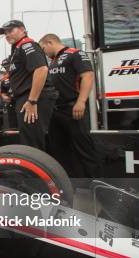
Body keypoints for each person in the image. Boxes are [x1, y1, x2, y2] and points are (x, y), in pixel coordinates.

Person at [40, 33, 101, 178]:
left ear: (49, 42)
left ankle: (98, 184)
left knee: (84, 148)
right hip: (55, 111)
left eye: (43, 49)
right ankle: (68, 185)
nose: (44, 53)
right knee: (59, 151)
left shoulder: (75, 54)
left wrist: (81, 101)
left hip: (73, 108)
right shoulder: (52, 62)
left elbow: (88, 76)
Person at [0, 20, 56, 150]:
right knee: (29, 139)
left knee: (32, 142)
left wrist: (32, 101)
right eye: (5, 33)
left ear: (22, 30)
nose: (7, 35)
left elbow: (41, 69)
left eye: (10, 31)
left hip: (32, 98)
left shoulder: (27, 45)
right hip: (24, 98)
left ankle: (34, 170)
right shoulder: (17, 48)